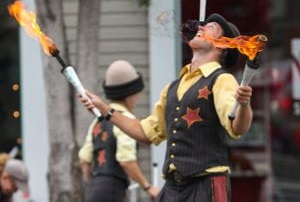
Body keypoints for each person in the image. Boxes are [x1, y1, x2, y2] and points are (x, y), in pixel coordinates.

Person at [79, 14, 253, 202]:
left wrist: (244, 105)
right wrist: (105, 109)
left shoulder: (221, 80)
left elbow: (237, 128)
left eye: (210, 27)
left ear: (222, 44)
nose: (200, 27)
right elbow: (146, 133)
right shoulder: (173, 87)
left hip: (205, 185)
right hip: (172, 187)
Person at [78, 60, 160, 202]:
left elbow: (84, 159)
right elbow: (126, 160)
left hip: (94, 191)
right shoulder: (125, 120)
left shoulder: (97, 121)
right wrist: (148, 187)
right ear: (131, 95)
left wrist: (92, 184)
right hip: (113, 188)